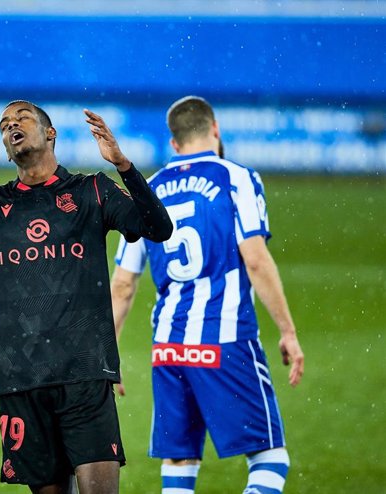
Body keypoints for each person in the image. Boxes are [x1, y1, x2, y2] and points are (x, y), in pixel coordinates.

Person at [0, 100, 173, 493]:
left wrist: (123, 165)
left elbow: (158, 227)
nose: (11, 126)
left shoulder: (91, 191)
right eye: (4, 124)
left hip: (85, 375)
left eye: (22, 118)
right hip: (21, 383)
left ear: (50, 133)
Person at [110, 96, 305, 494]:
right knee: (270, 457)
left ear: (174, 144)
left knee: (180, 462)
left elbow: (123, 284)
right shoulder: (236, 177)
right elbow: (255, 257)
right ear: (215, 129)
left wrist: (106, 358)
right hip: (224, 337)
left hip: (168, 345)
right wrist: (287, 330)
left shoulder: (147, 190)